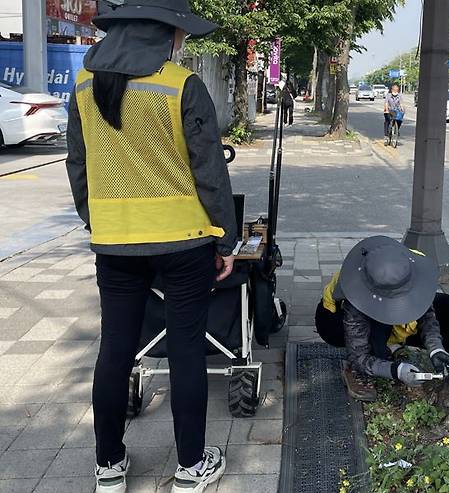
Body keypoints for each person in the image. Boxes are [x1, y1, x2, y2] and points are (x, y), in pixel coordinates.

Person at [65, 1, 236, 492]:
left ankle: (109, 468)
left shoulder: (81, 87)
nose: (181, 41)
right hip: (183, 244)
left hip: (114, 243)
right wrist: (225, 237)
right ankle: (190, 468)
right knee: (186, 351)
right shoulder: (181, 85)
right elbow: (210, 171)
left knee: (116, 350)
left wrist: (95, 219)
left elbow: (77, 164)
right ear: (162, 35)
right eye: (178, 33)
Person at [315, 236, 449, 402]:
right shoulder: (355, 296)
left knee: (447, 305)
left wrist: (436, 348)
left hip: (383, 312)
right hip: (336, 321)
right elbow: (359, 356)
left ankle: (436, 362)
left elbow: (426, 314)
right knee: (375, 334)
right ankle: (357, 370)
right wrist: (395, 370)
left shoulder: (410, 264)